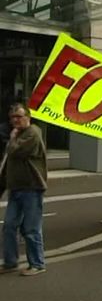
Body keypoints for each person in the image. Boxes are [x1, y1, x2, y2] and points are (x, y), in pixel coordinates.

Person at [0, 103, 48, 276]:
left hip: (31, 188)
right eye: (12, 117)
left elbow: (15, 151)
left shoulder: (33, 133)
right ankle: (10, 262)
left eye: (19, 116)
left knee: (31, 228)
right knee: (9, 226)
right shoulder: (18, 134)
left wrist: (12, 139)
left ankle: (37, 263)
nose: (15, 120)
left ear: (28, 117)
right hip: (16, 189)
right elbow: (8, 163)